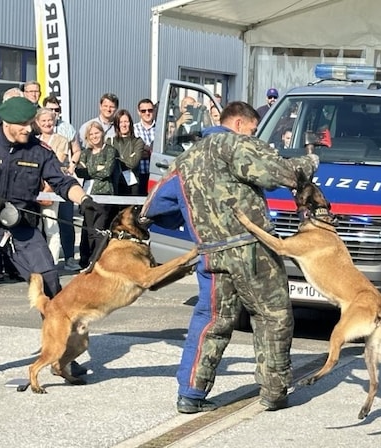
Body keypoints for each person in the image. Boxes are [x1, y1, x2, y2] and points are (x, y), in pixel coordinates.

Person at [142, 101, 319, 414]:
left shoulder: (185, 159)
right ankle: (274, 393)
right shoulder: (236, 144)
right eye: (252, 129)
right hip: (252, 249)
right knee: (272, 315)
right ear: (239, 124)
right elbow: (280, 173)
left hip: (211, 253)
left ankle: (191, 394)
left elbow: (153, 206)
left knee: (211, 320)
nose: (254, 134)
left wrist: (190, 220)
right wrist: (311, 162)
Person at [0, 97, 98, 380]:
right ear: (8, 123)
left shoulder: (39, 150)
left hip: (21, 227)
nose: (29, 129)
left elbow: (62, 182)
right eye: (24, 124)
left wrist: (84, 199)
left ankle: (63, 355)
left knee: (51, 282)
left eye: (31, 123)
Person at [42, 95, 81, 270]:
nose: (49, 120)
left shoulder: (62, 137)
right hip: (35, 186)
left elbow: (57, 161)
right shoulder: (33, 138)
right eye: (45, 118)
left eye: (54, 114)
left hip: (53, 185)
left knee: (56, 224)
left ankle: (56, 261)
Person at [76, 121, 118, 269]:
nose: (94, 136)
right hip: (88, 194)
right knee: (88, 230)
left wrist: (90, 170)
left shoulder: (110, 151)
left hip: (104, 194)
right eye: (91, 134)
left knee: (99, 229)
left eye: (97, 133)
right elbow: (79, 171)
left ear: (102, 133)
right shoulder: (86, 152)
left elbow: (107, 171)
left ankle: (97, 260)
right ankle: (87, 260)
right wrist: (96, 169)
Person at [107, 109, 143, 196]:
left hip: (132, 184)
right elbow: (108, 164)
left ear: (130, 123)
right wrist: (127, 158)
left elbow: (133, 163)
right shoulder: (110, 141)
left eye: (126, 121)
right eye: (121, 122)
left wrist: (117, 160)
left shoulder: (137, 141)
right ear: (117, 124)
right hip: (114, 183)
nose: (124, 125)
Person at [133, 98, 155, 196]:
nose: (147, 113)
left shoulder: (161, 129)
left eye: (150, 110)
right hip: (138, 174)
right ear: (138, 112)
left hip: (155, 174)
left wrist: (148, 151)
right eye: (143, 111)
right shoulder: (133, 129)